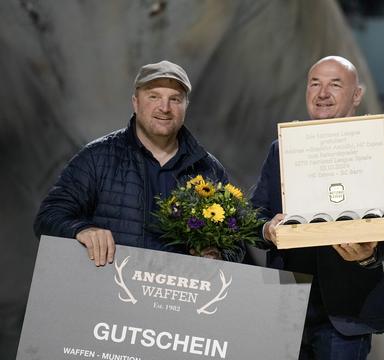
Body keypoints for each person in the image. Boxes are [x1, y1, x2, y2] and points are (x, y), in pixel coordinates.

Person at [250, 56, 384, 360]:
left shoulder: (379, 152)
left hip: (347, 314)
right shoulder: (281, 150)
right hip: (286, 309)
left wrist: (370, 256)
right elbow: (253, 216)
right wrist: (267, 229)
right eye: (315, 83)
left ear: (357, 95)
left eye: (335, 84)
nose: (322, 93)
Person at [34, 60, 243, 265]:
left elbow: (237, 242)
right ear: (135, 102)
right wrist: (81, 229)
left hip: (177, 297)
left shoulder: (209, 169)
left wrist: (218, 256)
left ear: (186, 106)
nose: (165, 108)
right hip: (110, 293)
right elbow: (48, 217)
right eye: (154, 97)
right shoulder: (97, 158)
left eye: (175, 99)